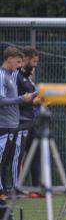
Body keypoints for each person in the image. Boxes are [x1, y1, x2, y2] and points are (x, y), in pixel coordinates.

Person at [0, 46, 35, 198]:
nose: (20, 65)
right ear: (9, 59)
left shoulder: (11, 75)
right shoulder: (2, 76)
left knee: (6, 160)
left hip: (12, 124)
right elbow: (1, 100)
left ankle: (4, 190)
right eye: (18, 61)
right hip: (4, 125)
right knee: (2, 159)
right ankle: (2, 191)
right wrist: (22, 99)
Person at [15, 46, 42, 195]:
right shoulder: (16, 76)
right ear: (25, 58)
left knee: (35, 153)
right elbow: (19, 99)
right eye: (34, 61)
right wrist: (35, 101)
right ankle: (15, 188)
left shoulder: (27, 77)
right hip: (20, 121)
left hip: (31, 120)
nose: (35, 64)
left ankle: (36, 188)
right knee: (18, 156)